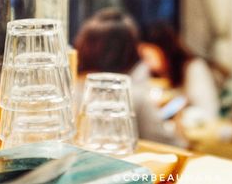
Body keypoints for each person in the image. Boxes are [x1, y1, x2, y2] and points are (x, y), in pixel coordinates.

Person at [73, 8, 183, 146]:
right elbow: (171, 144)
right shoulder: (131, 96)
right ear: (128, 51)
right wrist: (180, 129)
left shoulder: (69, 91)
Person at [142, 22, 220, 120]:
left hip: (193, 127)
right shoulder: (152, 74)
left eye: (148, 57)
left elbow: (210, 111)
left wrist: (180, 112)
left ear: (165, 51)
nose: (145, 63)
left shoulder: (193, 67)